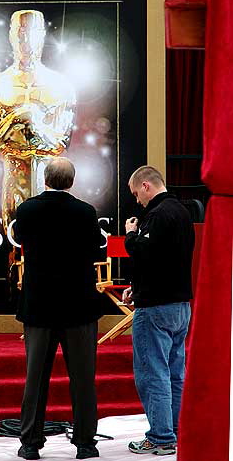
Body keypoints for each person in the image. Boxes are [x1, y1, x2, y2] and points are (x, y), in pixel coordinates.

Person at [14, 157, 103, 460]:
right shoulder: (86, 212)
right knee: (83, 378)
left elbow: (23, 243)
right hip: (79, 305)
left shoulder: (27, 210)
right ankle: (86, 444)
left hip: (39, 304)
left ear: (45, 179)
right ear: (72, 181)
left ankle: (29, 443)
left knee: (35, 377)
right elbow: (94, 251)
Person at [0, 10, 76, 239]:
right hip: (13, 176)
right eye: (21, 31)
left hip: (48, 177)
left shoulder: (62, 86)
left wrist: (34, 123)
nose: (27, 39)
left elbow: (62, 142)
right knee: (14, 240)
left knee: (50, 242)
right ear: (11, 35)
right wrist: (16, 118)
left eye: (33, 32)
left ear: (42, 35)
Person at [123, 165, 194, 455]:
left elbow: (143, 254)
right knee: (175, 373)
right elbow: (163, 261)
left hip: (155, 307)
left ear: (145, 187)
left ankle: (161, 436)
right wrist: (136, 286)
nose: (137, 201)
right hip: (180, 305)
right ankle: (176, 431)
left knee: (153, 374)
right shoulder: (183, 212)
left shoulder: (156, 215)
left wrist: (130, 235)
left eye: (135, 194)